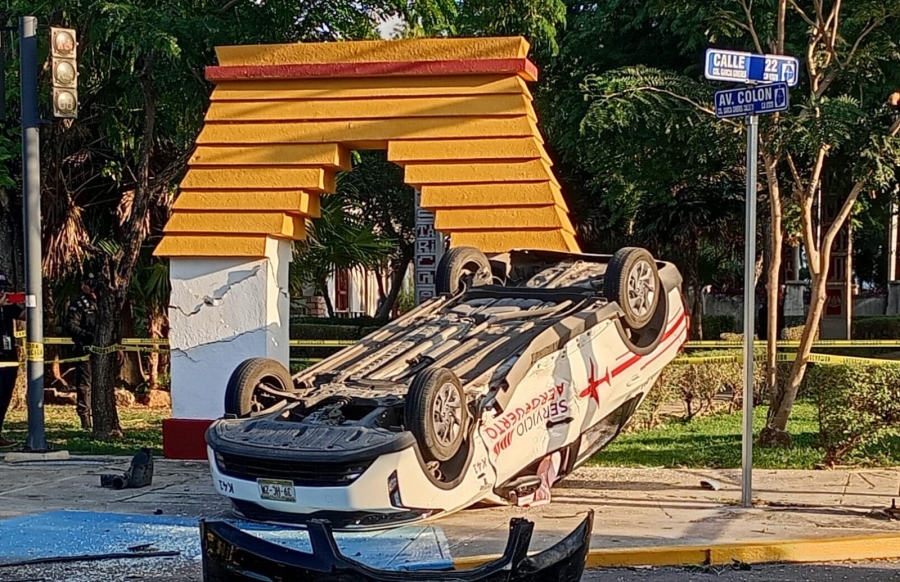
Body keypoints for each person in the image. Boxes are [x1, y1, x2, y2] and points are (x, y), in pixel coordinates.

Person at [66, 272, 98, 430]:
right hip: (84, 348)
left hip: (102, 351)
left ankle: (99, 417)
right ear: (83, 285)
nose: (91, 288)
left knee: (100, 383)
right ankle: (85, 420)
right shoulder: (78, 304)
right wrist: (87, 336)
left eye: (93, 285)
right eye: (88, 284)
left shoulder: (103, 302)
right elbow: (71, 326)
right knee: (85, 385)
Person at [0, 270, 25, 448]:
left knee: (4, 397)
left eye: (4, 289)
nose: (2, 292)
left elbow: (25, 316)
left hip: (9, 357)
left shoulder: (9, 306)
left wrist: (27, 300)